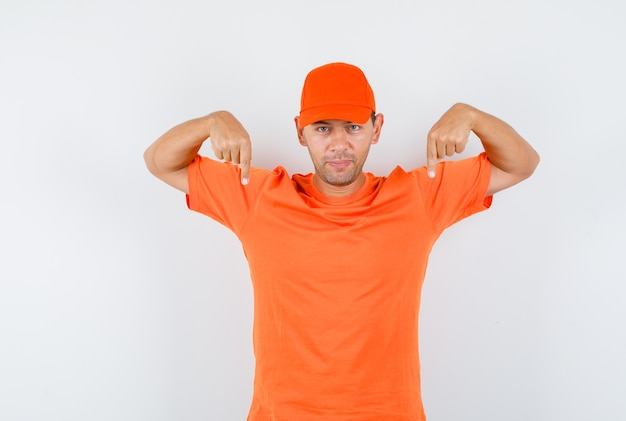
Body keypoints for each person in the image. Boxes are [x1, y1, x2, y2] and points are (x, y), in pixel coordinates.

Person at [144, 62, 539, 421]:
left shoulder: (418, 197)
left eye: (353, 127)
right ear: (300, 132)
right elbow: (160, 161)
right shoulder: (258, 197)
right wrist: (212, 122)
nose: (338, 144)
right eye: (322, 128)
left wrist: (471, 116)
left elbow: (521, 163)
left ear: (376, 128)